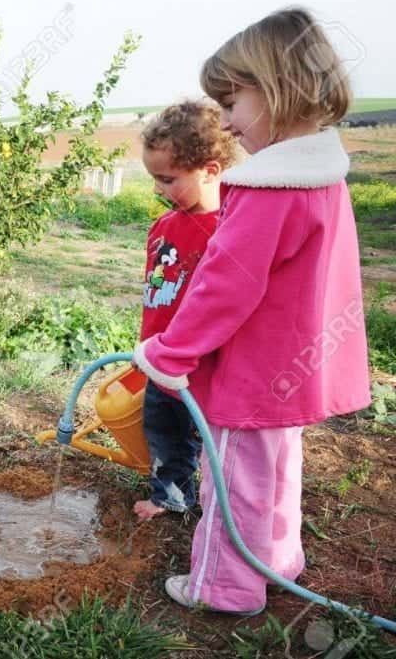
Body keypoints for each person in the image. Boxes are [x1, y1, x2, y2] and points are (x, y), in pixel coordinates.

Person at [133, 8, 370, 616]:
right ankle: (277, 561)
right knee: (275, 474)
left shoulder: (269, 188)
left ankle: (223, 587)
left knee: (231, 483)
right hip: (294, 368)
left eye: (234, 101)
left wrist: (170, 353)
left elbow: (223, 287)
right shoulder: (321, 176)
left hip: (251, 374)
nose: (230, 124)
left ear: (277, 90)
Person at [133, 102, 237, 522]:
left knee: (197, 433)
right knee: (162, 427)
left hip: (201, 364)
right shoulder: (163, 226)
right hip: (161, 353)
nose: (159, 189)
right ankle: (171, 493)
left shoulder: (230, 228)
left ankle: (207, 500)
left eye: (167, 179)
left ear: (210, 171)